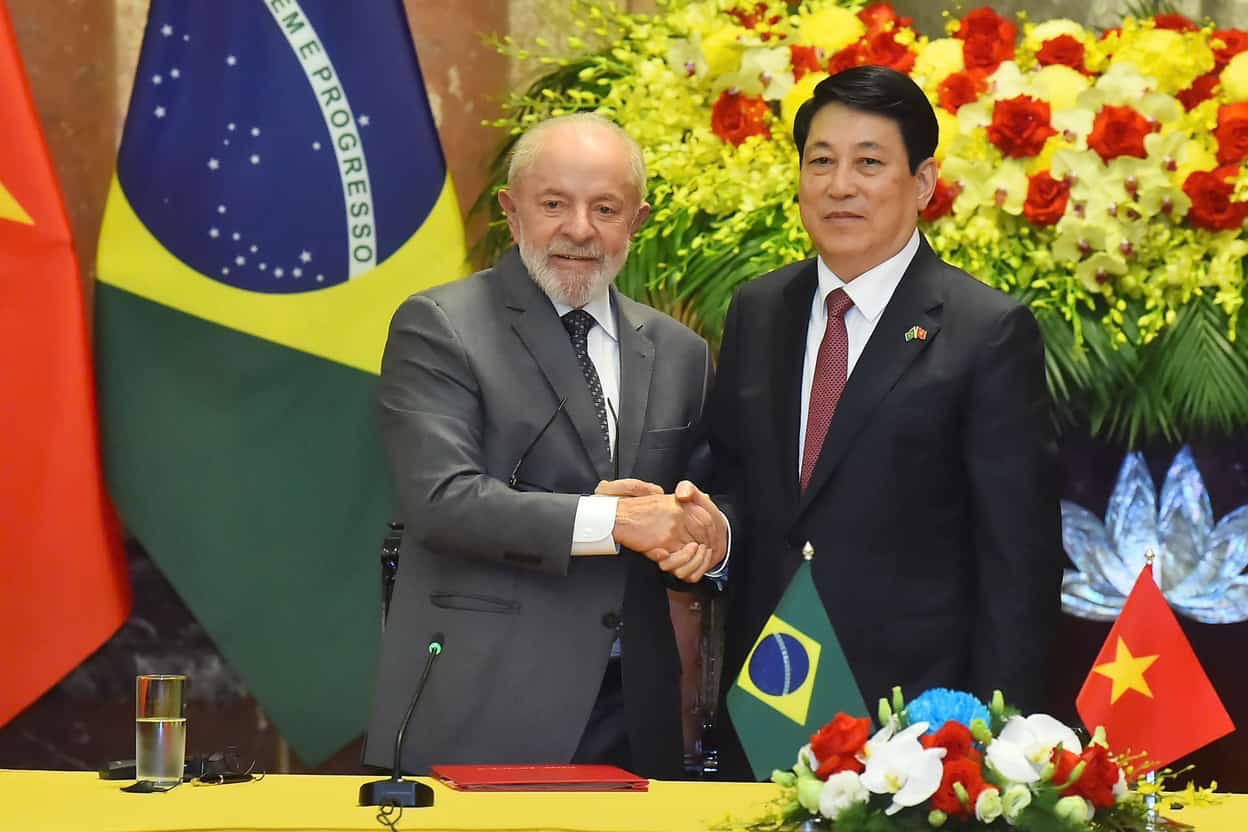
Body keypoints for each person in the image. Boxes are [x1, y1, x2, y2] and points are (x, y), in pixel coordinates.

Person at [706, 66, 1062, 778]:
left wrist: (996, 750)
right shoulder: (758, 309)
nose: (841, 186)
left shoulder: (985, 331)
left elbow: (1017, 564)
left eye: (869, 163)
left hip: (919, 731)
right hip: (771, 702)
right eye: (822, 162)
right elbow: (734, 480)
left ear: (923, 183)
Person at [362, 113, 727, 780]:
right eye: (555, 203)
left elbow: (703, 499)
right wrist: (616, 519)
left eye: (606, 208)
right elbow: (440, 500)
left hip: (637, 717)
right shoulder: (442, 325)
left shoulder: (681, 353)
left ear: (637, 221)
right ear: (511, 211)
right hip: (489, 704)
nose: (580, 229)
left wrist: (711, 530)